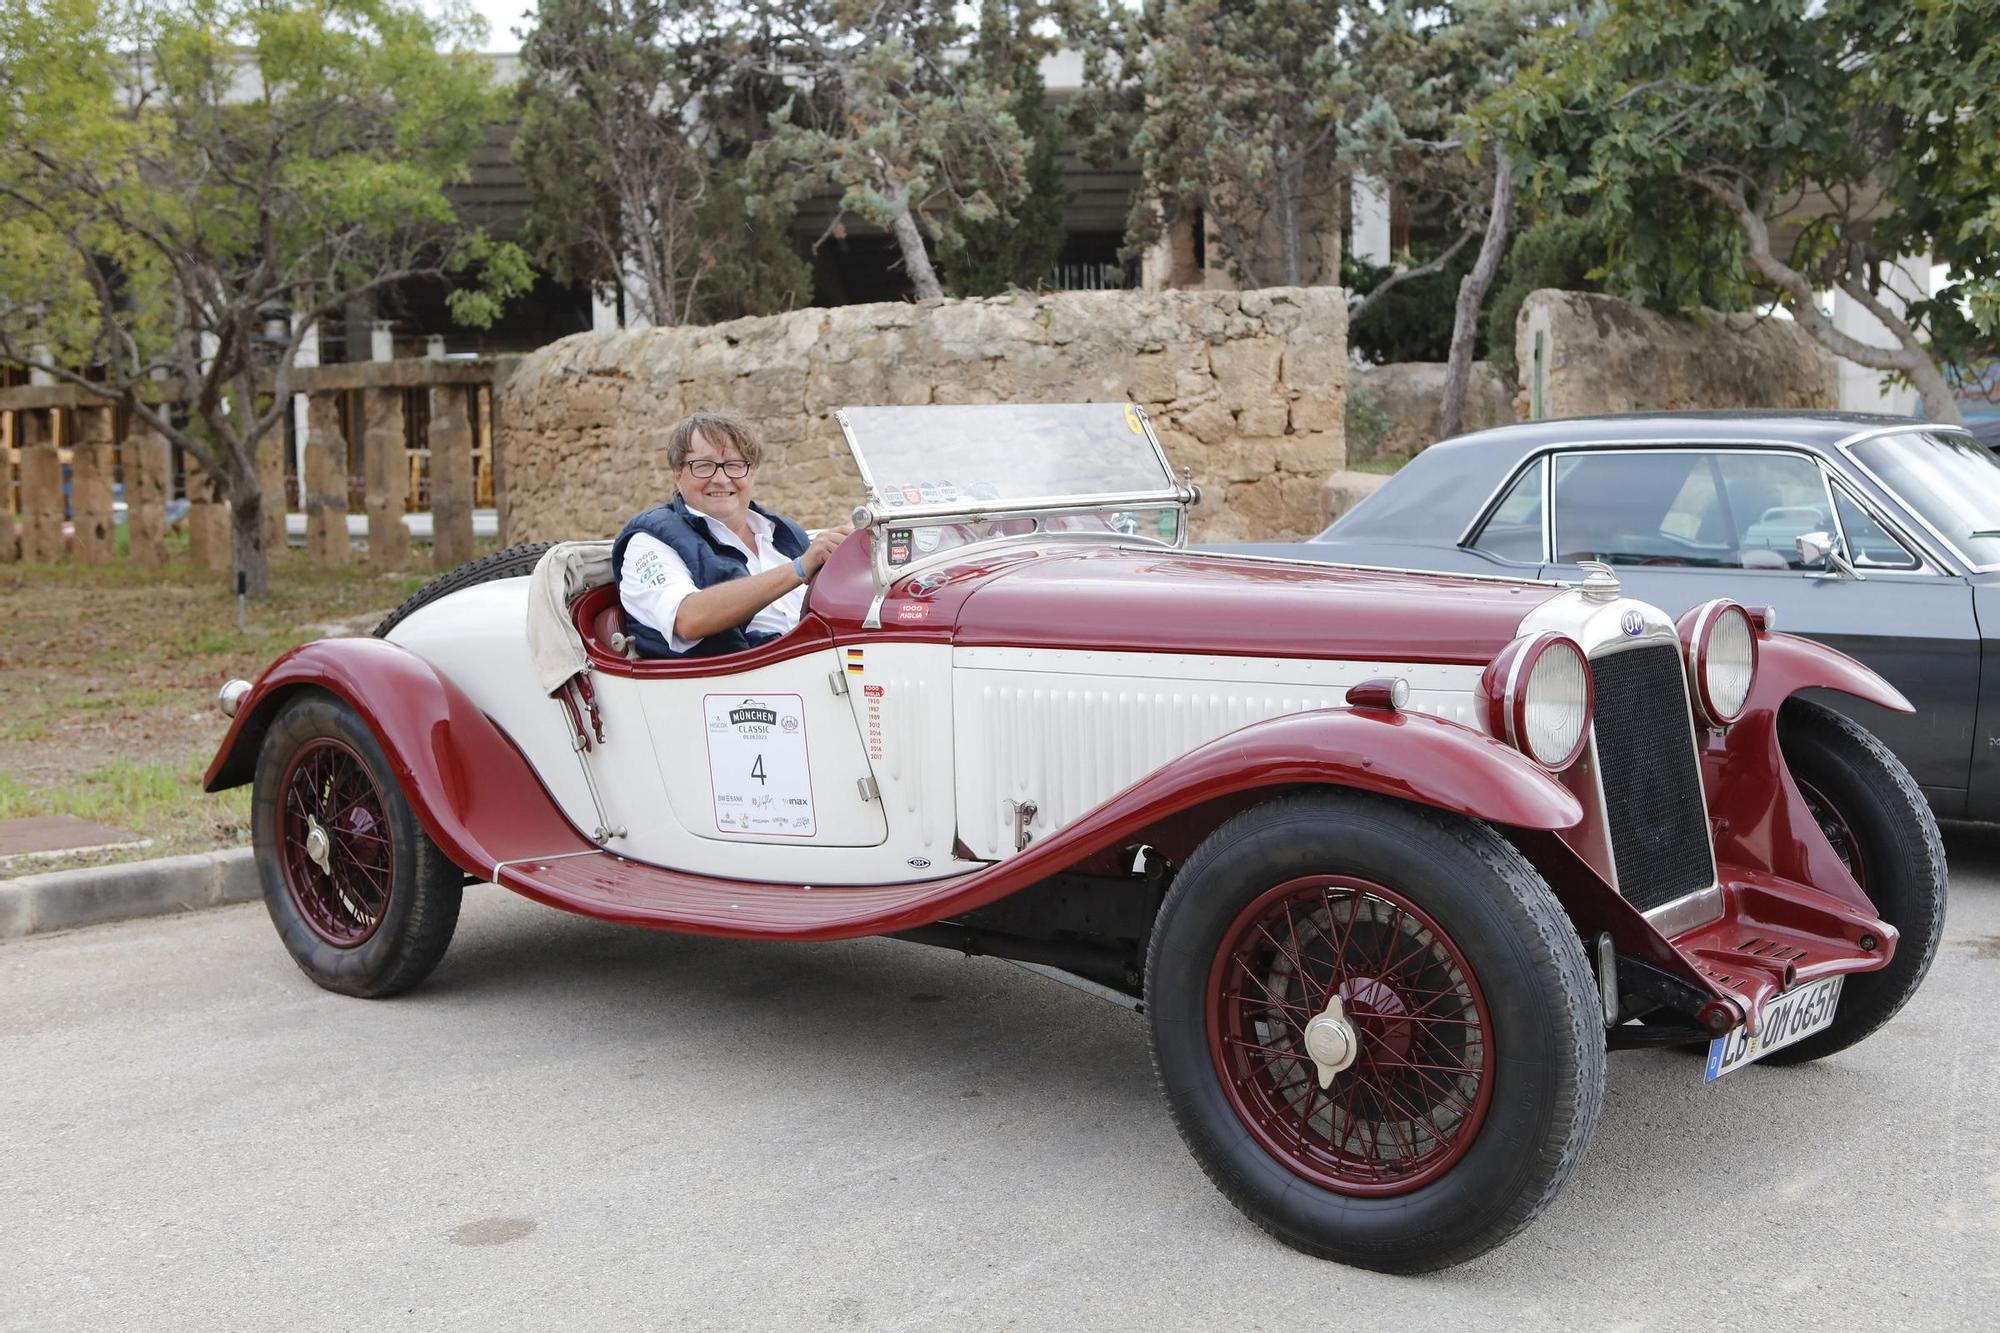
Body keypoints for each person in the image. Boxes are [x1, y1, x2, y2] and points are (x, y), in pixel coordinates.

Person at [612, 412, 851, 658]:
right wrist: (799, 569)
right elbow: (689, 619)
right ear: (678, 474)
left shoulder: (784, 534)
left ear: (751, 473)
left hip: (819, 666)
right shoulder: (649, 541)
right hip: (737, 685)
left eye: (735, 465)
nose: (721, 479)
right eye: (704, 466)